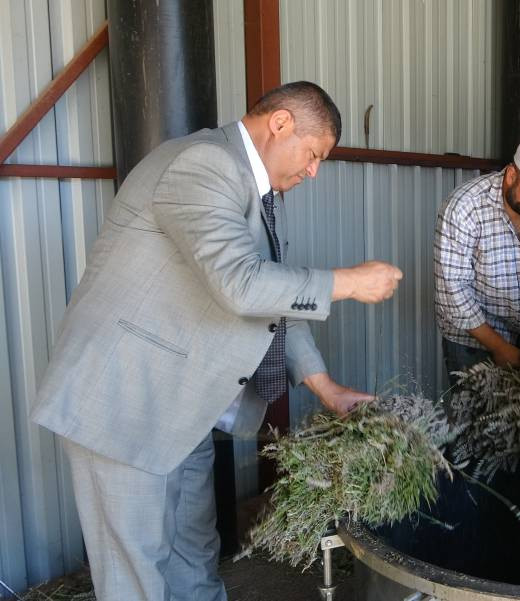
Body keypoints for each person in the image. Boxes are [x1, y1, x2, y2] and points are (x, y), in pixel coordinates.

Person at [31, 81, 403, 601]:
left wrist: (327, 390)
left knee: (193, 557)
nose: (314, 171)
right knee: (134, 574)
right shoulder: (203, 165)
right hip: (124, 405)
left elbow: (271, 300)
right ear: (280, 125)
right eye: (314, 154)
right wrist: (350, 282)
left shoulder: (249, 189)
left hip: (182, 407)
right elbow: (243, 283)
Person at [433, 133, 520, 383]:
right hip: (471, 338)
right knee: (474, 418)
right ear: (512, 174)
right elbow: (452, 291)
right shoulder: (464, 207)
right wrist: (499, 347)